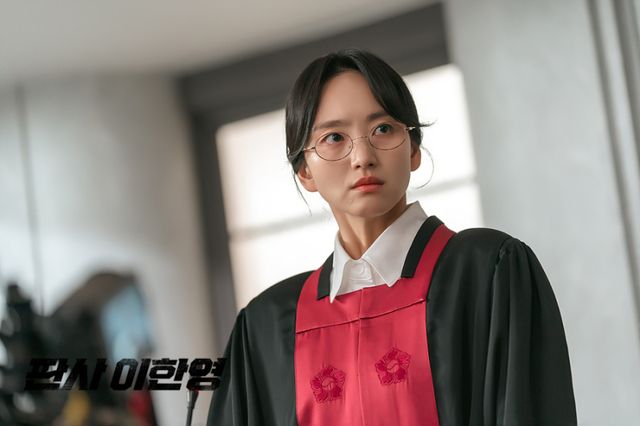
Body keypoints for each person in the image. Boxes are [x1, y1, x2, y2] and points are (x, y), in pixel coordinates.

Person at [206, 49, 577, 426]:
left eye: (382, 129)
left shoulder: (485, 273)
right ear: (305, 172)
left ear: (413, 149)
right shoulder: (268, 326)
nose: (362, 157)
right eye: (334, 137)